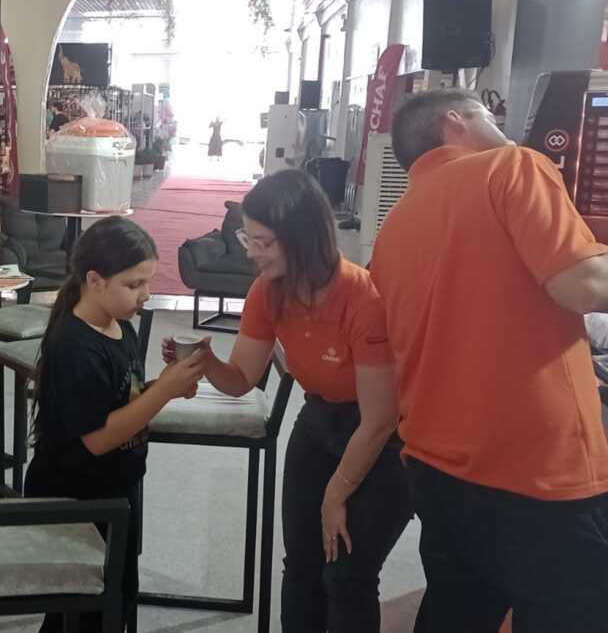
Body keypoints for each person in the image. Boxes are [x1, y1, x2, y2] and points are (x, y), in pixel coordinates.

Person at [371, 88, 608, 631]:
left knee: (458, 608)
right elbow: (581, 284)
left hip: (436, 463)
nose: (502, 125)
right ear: (457, 121)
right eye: (489, 113)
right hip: (535, 469)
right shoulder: (512, 167)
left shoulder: (395, 224)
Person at [163, 169, 410, 632]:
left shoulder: (362, 299)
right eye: (248, 238)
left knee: (348, 574)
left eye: (264, 242)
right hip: (319, 421)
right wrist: (206, 361)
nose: (251, 252)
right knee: (301, 565)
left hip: (383, 440)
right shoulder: (267, 291)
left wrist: (336, 493)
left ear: (302, 239)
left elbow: (380, 419)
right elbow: (241, 380)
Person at [25, 216, 207, 632]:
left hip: (114, 488)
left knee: (116, 599)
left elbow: (124, 401)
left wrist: (167, 385)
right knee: (84, 608)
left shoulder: (119, 326)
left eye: (148, 282)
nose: (146, 294)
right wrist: (164, 392)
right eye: (134, 284)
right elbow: (97, 439)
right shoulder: (75, 346)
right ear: (95, 280)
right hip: (76, 496)